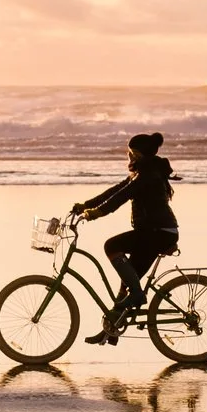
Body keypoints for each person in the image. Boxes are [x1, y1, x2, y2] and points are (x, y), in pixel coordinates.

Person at [71, 132, 178, 345]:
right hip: (154, 232)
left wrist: (96, 214)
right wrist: (86, 205)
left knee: (111, 246)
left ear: (137, 154)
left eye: (130, 153)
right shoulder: (142, 173)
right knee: (126, 281)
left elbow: (120, 198)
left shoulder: (147, 175)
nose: (128, 157)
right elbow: (114, 191)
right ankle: (111, 329)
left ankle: (137, 296)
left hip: (158, 233)